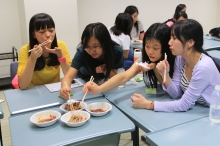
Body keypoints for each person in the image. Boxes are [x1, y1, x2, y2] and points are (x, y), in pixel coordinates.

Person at [135, 19, 220, 112]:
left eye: (174, 38)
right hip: (200, 110)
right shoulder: (180, 58)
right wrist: (165, 75)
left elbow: (184, 104)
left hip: (213, 113)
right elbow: (176, 94)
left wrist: (149, 104)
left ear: (190, 42)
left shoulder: (203, 67)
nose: (169, 42)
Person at [83, 23, 175, 94]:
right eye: (147, 46)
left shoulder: (175, 61)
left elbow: (170, 90)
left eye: (155, 48)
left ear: (165, 47)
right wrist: (99, 89)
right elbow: (124, 77)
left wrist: (156, 68)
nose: (150, 51)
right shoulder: (145, 60)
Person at [60, 22, 124, 99]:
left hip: (107, 84)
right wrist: (65, 88)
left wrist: (104, 70)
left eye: (95, 46)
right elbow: (68, 77)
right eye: (87, 46)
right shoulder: (82, 51)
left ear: (105, 43)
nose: (91, 51)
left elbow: (115, 77)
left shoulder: (116, 51)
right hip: (85, 81)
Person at [17, 13, 71, 89]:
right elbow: (22, 85)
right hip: (33, 91)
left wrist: (61, 57)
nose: (48, 35)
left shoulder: (61, 45)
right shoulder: (25, 50)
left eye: (51, 30)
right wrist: (32, 58)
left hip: (54, 90)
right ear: (33, 34)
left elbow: (70, 77)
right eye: (42, 32)